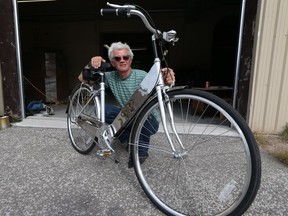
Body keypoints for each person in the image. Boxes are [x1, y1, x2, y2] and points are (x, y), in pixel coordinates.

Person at [79, 41, 175, 167]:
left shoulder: (142, 75)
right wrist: (90, 64)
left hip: (149, 118)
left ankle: (139, 153)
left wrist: (168, 81)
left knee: (140, 115)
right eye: (117, 58)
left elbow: (159, 94)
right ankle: (129, 138)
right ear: (112, 63)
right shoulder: (109, 77)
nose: (122, 60)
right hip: (127, 116)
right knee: (102, 110)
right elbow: (82, 79)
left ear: (130, 60)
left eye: (125, 57)